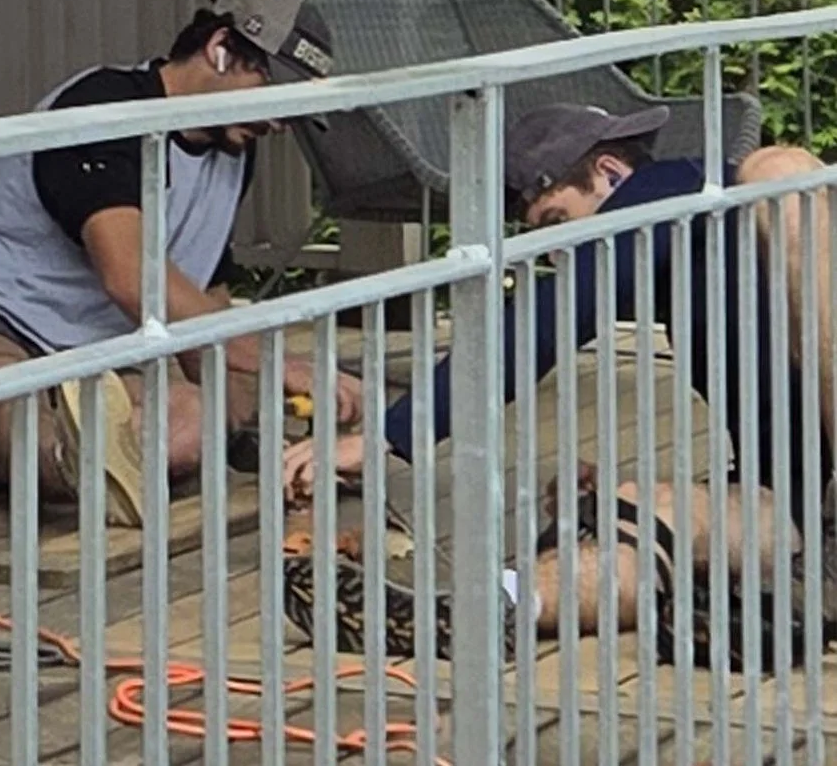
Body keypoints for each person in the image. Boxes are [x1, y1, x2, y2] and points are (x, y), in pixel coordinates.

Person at [284, 101, 837, 648]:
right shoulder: (694, 266)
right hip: (802, 496)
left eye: (556, 223)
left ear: (610, 172)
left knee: (778, 171)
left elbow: (542, 324)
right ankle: (492, 608)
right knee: (647, 513)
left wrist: (389, 434)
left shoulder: (672, 191)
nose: (558, 255)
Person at [0, 0, 355, 503]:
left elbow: (207, 287)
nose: (282, 122)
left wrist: (249, 426)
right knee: (7, 392)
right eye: (276, 89)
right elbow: (130, 276)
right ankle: (15, 456)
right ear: (221, 49)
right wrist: (274, 361)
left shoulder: (236, 148)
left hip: (84, 365)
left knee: (197, 423)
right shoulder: (106, 106)